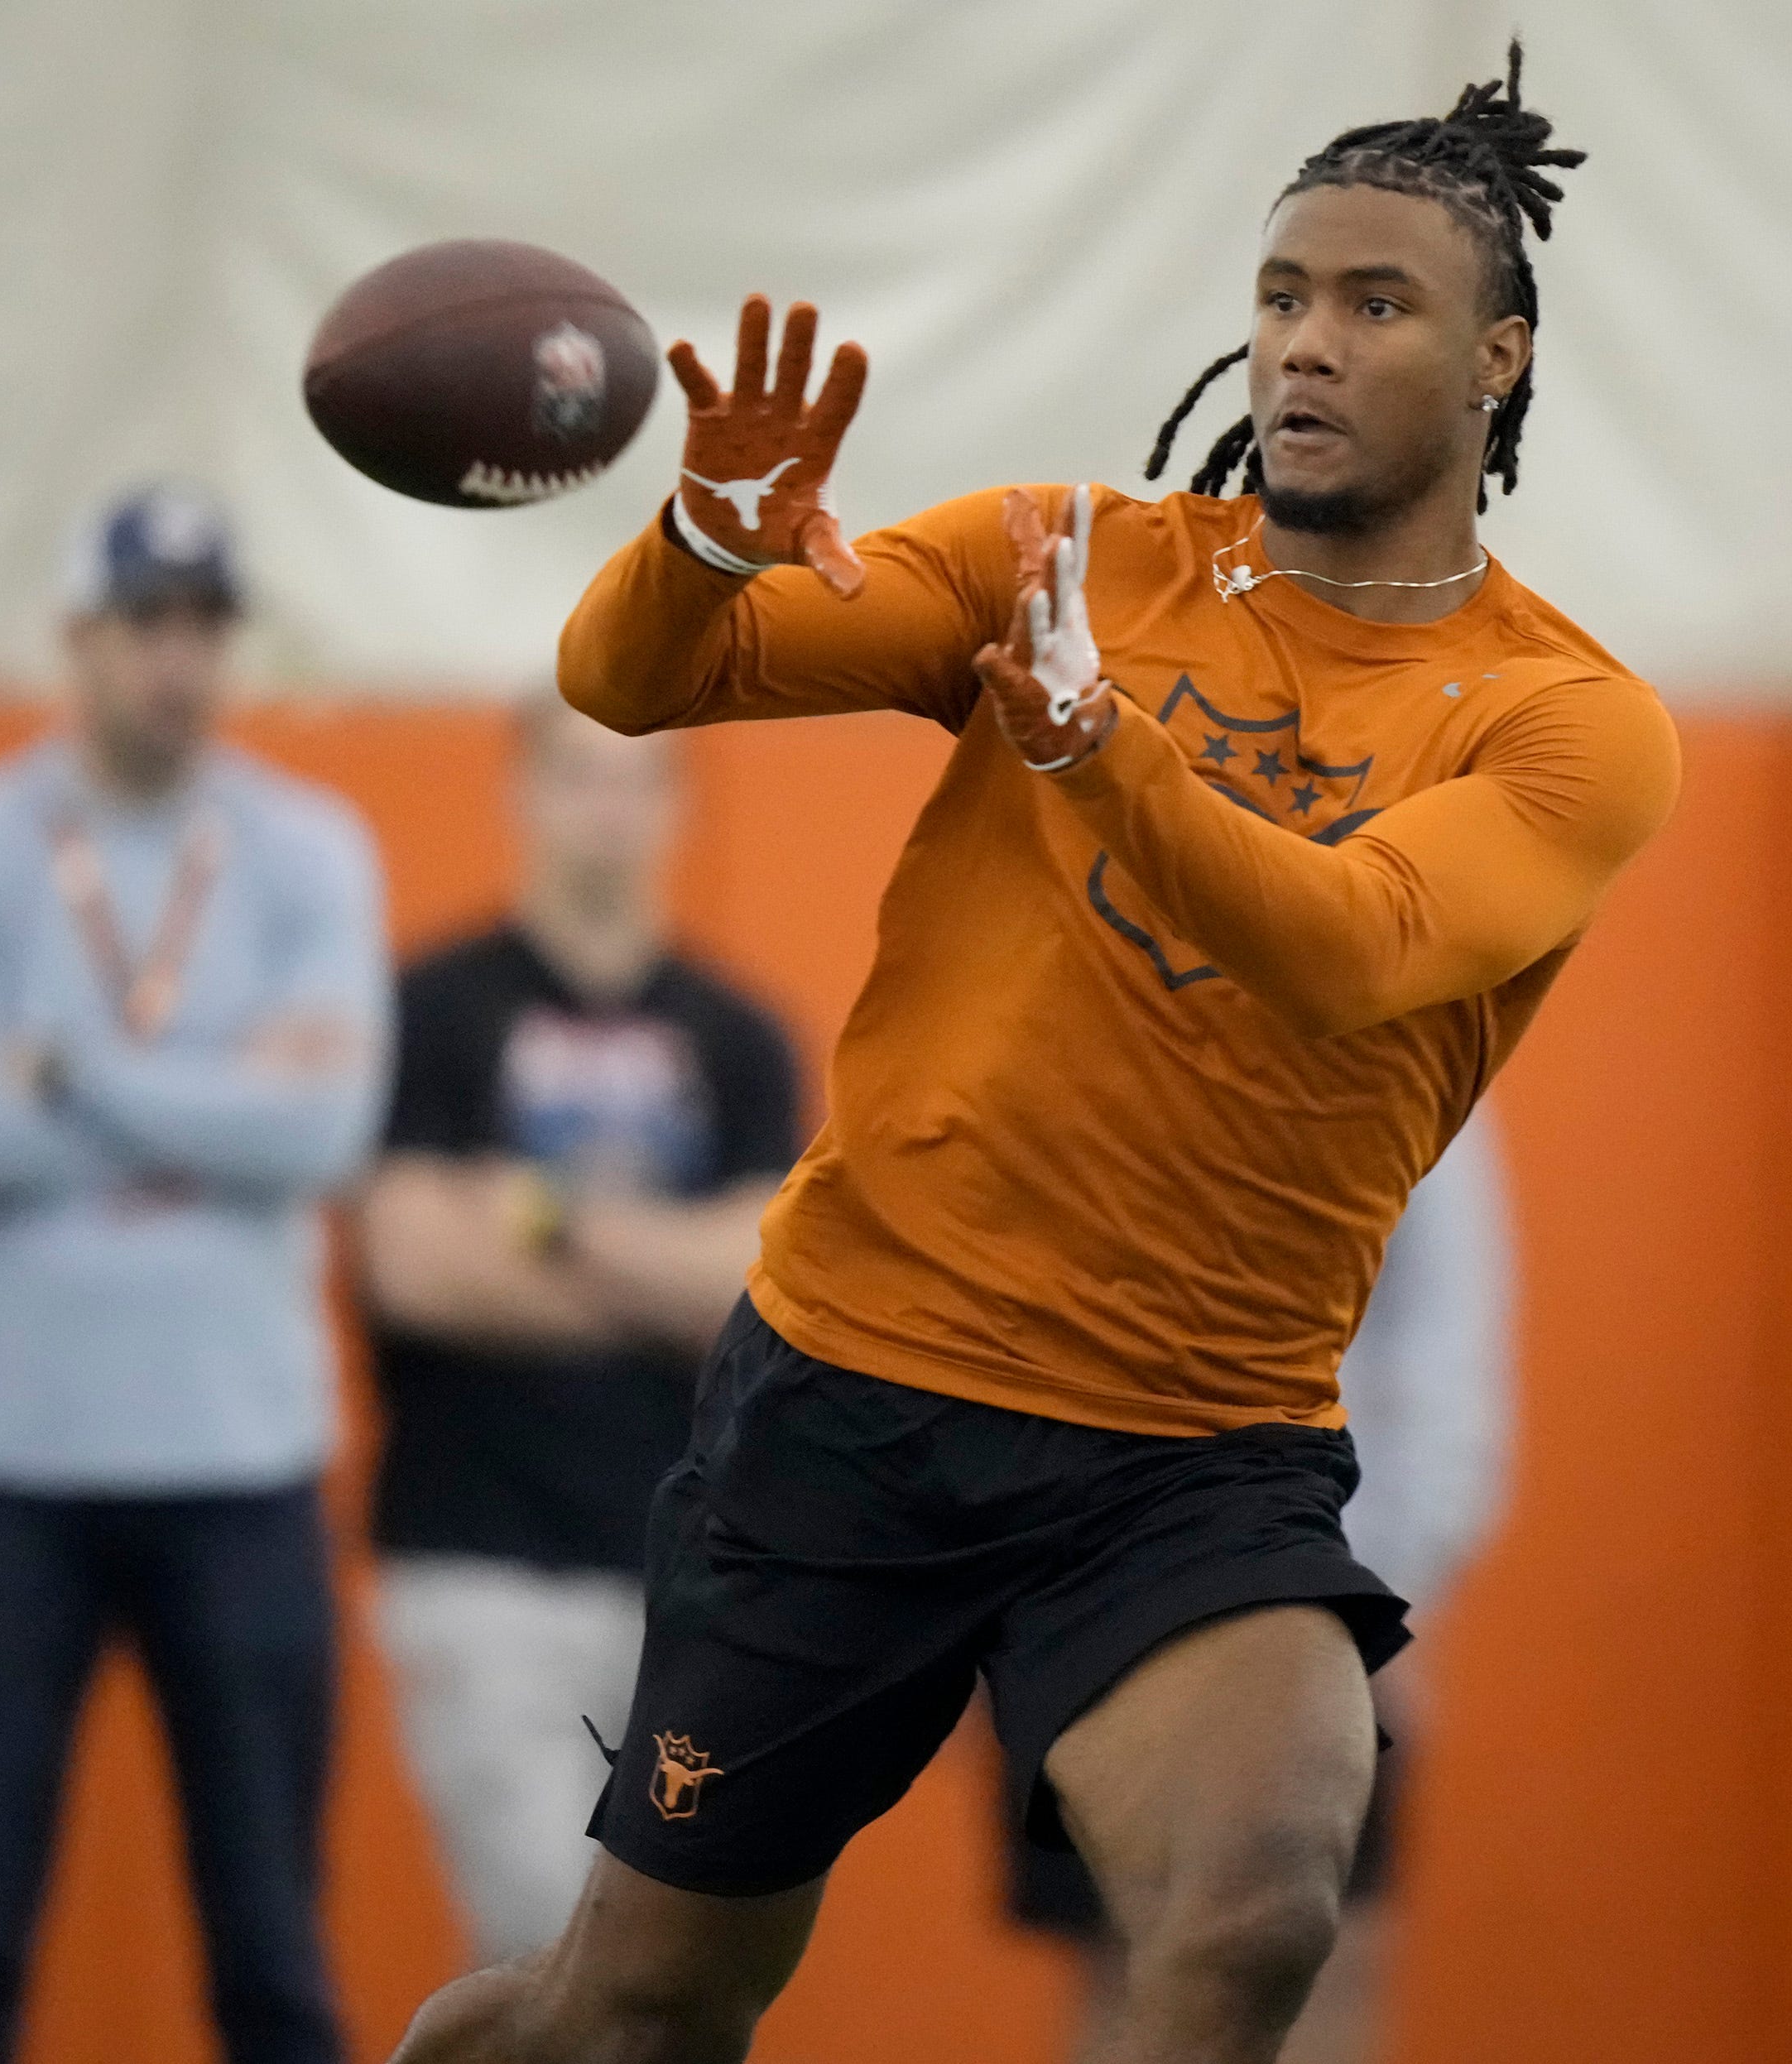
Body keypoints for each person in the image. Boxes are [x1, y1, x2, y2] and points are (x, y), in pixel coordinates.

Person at [391, 46, 1676, 2064]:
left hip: (1189, 1447)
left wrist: (1101, 753)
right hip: (854, 1396)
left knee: (1255, 1903)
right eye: (1276, 298)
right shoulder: (1067, 555)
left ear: (1497, 359)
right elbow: (629, 678)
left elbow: (1359, 948)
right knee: (629, 2015)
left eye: (1372, 304)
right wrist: (706, 536)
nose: (1304, 345)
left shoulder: (1567, 717)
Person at [0, 487, 391, 2064]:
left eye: (206, 628)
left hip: (238, 1465)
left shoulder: (308, 847)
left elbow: (323, 1126)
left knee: (273, 1950)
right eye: (149, 624)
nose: (182, 661)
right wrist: (213, 1079)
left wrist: (68, 1062)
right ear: (78, 640)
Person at [360, 694, 800, 1966]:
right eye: (579, 778)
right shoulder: (433, 1008)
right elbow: (411, 1264)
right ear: (521, 792)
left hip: (692, 1586)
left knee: (668, 1989)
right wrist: (670, 1255)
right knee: (552, 1960)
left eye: (639, 780)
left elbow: (761, 1296)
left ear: (677, 806)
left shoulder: (741, 1036)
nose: (607, 811)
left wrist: (542, 1214)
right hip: (478, 1565)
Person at [1006, 1112, 1514, 2064]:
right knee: (1127, 1961)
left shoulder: (1410, 1047)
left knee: (1321, 1959)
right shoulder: (1052, 1037)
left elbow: (1447, 1349)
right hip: (1077, 1591)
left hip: (1328, 1601)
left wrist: (1394, 1604)